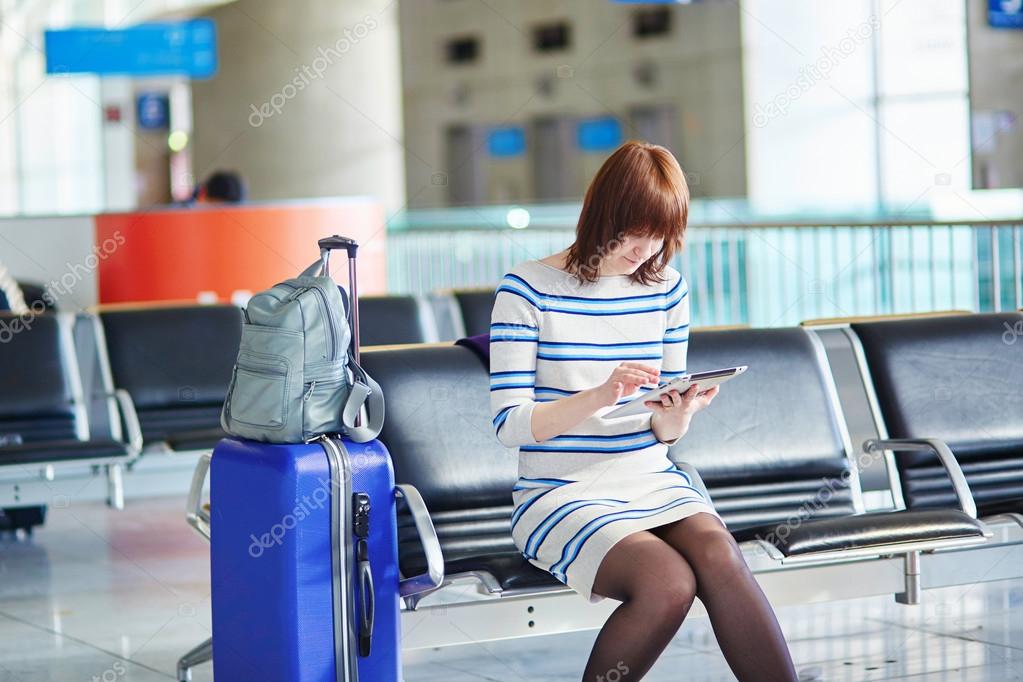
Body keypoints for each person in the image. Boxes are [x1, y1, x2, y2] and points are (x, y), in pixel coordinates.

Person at [489, 141, 797, 681]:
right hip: (559, 490)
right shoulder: (528, 289)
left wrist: (677, 416)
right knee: (667, 583)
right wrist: (599, 396)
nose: (645, 247)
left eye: (660, 233)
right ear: (602, 214)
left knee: (720, 555)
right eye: (635, 229)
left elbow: (662, 426)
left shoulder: (666, 290)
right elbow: (510, 424)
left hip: (650, 477)